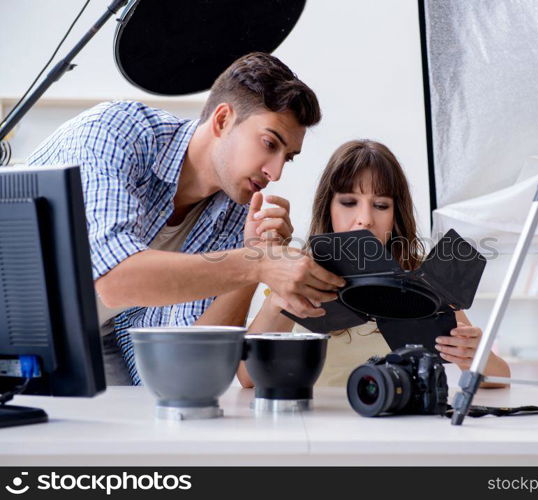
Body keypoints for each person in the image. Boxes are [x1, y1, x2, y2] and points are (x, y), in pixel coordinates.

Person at [27, 52, 344, 385]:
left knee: (153, 423)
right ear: (222, 120)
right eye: (269, 143)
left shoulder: (236, 209)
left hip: (93, 335)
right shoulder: (116, 134)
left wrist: (254, 256)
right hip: (19, 315)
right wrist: (259, 265)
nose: (275, 172)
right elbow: (116, 281)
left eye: (287, 158)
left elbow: (199, 357)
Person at [239, 139, 510, 388]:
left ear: (395, 216)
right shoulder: (298, 274)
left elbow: (500, 378)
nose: (365, 219)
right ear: (328, 208)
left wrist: (473, 357)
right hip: (321, 428)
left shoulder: (422, 282)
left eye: (380, 205)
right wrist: (279, 296)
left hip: (399, 425)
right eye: (349, 202)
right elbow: (248, 377)